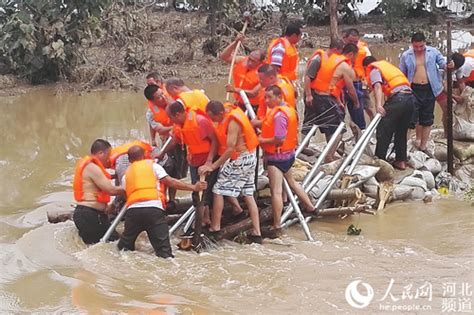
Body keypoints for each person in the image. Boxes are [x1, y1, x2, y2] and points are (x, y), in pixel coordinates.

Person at [118, 145, 207, 258]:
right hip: (154, 210)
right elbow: (171, 182)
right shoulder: (154, 167)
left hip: (133, 212)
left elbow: (126, 193)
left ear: (130, 160)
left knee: (124, 248)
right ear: (145, 155)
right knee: (164, 252)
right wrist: (194, 187)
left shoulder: (126, 175)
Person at [252, 86, 315, 239]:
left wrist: (261, 140)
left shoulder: (280, 115)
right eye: (265, 97)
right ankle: (310, 207)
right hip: (288, 154)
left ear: (279, 97)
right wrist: (258, 123)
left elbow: (279, 139)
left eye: (269, 97)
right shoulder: (286, 109)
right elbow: (269, 124)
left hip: (277, 157)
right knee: (292, 182)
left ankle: (277, 224)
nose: (266, 101)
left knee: (276, 192)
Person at [198, 101, 262, 243]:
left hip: (242, 158)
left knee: (218, 190)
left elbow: (229, 149)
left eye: (213, 117)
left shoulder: (233, 121)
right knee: (248, 193)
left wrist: (213, 166)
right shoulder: (229, 111)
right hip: (250, 157)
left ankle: (215, 227)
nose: (213, 121)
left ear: (220, 113)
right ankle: (256, 232)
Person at [161, 101, 219, 226]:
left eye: (170, 117)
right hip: (194, 161)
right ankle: (204, 219)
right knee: (197, 190)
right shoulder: (180, 125)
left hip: (207, 159)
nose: (170, 121)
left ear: (177, 115)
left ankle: (205, 221)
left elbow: (215, 141)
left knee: (205, 191)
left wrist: (209, 161)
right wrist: (161, 153)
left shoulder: (200, 121)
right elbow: (174, 141)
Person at [302, 43, 360, 162]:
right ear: (350, 54)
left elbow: (330, 83)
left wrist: (338, 100)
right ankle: (329, 156)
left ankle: (301, 149)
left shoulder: (325, 59)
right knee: (338, 128)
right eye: (355, 57)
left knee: (309, 123)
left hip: (313, 95)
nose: (354, 61)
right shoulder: (344, 65)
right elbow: (351, 89)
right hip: (325, 99)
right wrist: (356, 103)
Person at [399, 32, 454, 152]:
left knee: (427, 118)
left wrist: (449, 65)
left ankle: (423, 146)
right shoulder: (406, 55)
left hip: (430, 88)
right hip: (413, 89)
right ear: (412, 45)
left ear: (425, 43)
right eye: (416, 47)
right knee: (410, 118)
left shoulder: (433, 52)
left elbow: (443, 65)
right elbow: (401, 74)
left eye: (421, 46)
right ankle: (403, 148)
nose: (418, 49)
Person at [363, 56, 415, 170]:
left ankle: (380, 161)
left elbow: (377, 86)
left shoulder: (374, 69)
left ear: (366, 66)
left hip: (398, 99)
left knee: (384, 130)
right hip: (410, 98)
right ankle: (401, 161)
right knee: (401, 131)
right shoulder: (388, 67)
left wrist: (378, 105)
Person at [72, 139, 125, 244]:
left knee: (115, 242)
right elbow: (111, 190)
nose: (109, 159)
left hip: (95, 215)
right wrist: (132, 187)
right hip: (89, 215)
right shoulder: (91, 167)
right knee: (108, 246)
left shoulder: (93, 167)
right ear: (101, 153)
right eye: (108, 155)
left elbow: (107, 179)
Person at [144, 85, 187, 202]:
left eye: (162, 94)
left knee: (179, 171)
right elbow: (161, 129)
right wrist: (173, 127)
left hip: (184, 140)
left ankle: (172, 199)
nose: (163, 98)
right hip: (168, 143)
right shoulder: (150, 113)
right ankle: (165, 199)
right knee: (168, 169)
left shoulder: (174, 101)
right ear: (152, 101)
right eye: (159, 97)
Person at [220, 33, 265, 108]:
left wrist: (234, 90)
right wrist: (235, 42)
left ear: (261, 62)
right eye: (249, 59)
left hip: (255, 106)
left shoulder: (264, 73)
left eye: (253, 61)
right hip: (240, 103)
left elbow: (253, 93)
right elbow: (224, 56)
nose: (249, 62)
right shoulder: (242, 60)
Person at [342, 28, 375, 129]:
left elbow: (371, 66)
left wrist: (369, 83)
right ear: (344, 39)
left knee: (367, 107)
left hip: (359, 83)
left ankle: (375, 128)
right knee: (342, 111)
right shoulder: (340, 50)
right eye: (350, 41)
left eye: (355, 42)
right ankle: (353, 136)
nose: (353, 44)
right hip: (342, 85)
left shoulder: (364, 50)